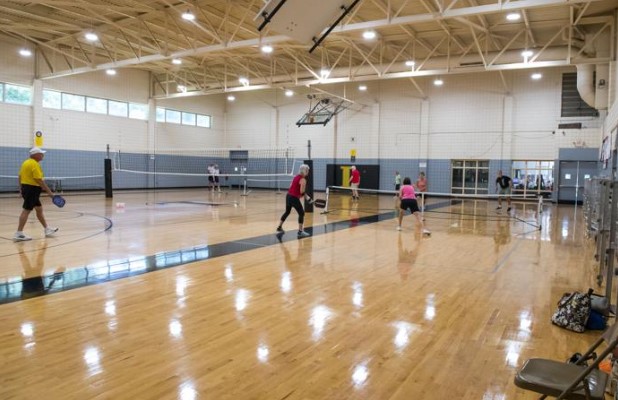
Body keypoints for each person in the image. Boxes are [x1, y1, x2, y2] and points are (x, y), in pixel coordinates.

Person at [14, 147, 58, 241]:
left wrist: (20, 188)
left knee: (39, 209)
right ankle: (19, 233)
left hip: (27, 188)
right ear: (36, 155)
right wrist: (50, 194)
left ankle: (47, 229)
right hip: (32, 190)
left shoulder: (26, 162)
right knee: (26, 210)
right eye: (41, 153)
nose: (43, 155)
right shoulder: (34, 164)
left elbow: (20, 176)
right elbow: (39, 180)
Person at [277, 164, 311, 238]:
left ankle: (279, 227)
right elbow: (302, 191)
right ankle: (300, 231)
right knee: (301, 213)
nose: (308, 171)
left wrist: (306, 197)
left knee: (287, 212)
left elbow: (291, 186)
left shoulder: (296, 177)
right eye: (307, 170)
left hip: (288, 196)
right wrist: (307, 198)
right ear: (305, 171)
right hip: (293, 198)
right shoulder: (303, 180)